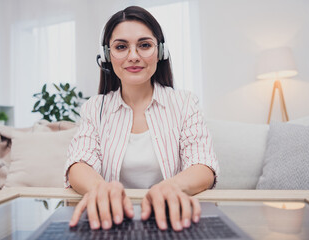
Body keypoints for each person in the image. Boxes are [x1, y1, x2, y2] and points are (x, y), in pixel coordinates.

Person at [64, 6, 219, 232]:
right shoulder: (94, 108)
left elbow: (203, 165)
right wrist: (100, 188)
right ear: (107, 55)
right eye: (121, 47)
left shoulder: (185, 103)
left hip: (171, 222)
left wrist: (171, 187)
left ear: (161, 51)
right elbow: (79, 163)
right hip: (111, 224)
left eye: (145, 45)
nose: (133, 56)